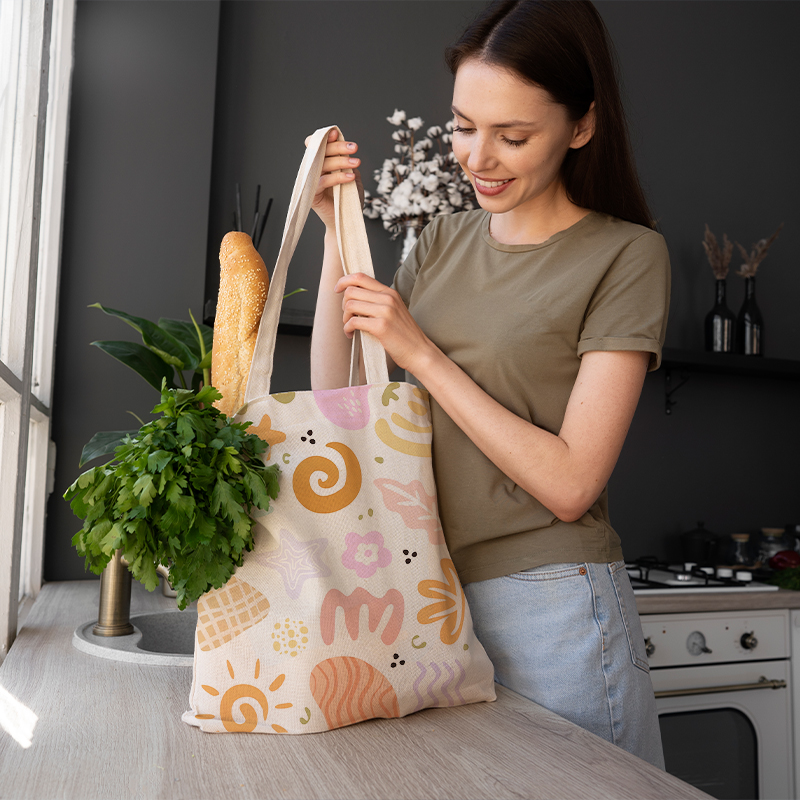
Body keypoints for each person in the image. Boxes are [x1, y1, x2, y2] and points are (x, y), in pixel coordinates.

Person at [307, 0, 668, 769]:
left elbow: (571, 484)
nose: (478, 157)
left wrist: (424, 353)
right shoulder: (442, 237)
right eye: (464, 125)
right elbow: (341, 398)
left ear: (581, 126)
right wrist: (338, 233)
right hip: (426, 591)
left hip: (553, 604)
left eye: (514, 136)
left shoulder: (627, 257)